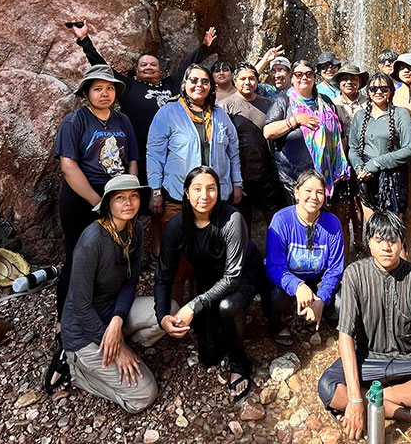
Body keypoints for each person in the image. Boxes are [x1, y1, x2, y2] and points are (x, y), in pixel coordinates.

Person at [317, 211, 411, 442]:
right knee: (327, 387)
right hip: (368, 358)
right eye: (379, 240)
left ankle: (376, 399)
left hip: (409, 360)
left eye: (393, 240)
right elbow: (345, 336)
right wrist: (354, 398)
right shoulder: (355, 274)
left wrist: (358, 401)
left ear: (402, 242)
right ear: (368, 244)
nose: (386, 247)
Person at [154, 166, 267, 401]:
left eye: (211, 188)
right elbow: (163, 274)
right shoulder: (177, 225)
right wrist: (162, 315)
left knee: (228, 307)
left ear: (219, 191)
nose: (204, 196)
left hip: (243, 273)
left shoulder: (231, 219)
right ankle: (220, 329)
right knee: (210, 355)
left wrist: (194, 304)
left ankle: (240, 363)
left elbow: (233, 276)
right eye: (197, 189)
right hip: (209, 275)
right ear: (186, 192)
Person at [60, 174, 165, 413]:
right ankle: (78, 371)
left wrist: (117, 321)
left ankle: (117, 345)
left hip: (111, 315)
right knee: (144, 396)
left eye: (134, 196)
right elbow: (81, 306)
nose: (128, 203)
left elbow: (130, 283)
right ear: (107, 204)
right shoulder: (92, 241)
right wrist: (117, 351)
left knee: (167, 310)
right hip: (83, 332)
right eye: (120, 198)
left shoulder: (135, 229)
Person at [69, 18, 216, 186]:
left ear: (160, 70)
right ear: (137, 71)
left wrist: (205, 45)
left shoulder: (172, 84)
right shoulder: (129, 87)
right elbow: (102, 67)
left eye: (153, 64)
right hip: (141, 153)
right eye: (143, 65)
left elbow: (189, 65)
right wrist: (84, 40)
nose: (148, 67)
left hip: (175, 152)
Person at [53, 64, 139, 342]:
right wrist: (96, 201)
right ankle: (64, 323)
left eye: (110, 88)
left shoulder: (123, 121)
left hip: (116, 197)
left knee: (115, 255)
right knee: (77, 259)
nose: (105, 93)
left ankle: (106, 314)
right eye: (98, 88)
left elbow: (133, 160)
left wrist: (130, 193)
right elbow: (68, 166)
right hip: (82, 198)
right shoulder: (74, 121)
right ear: (87, 92)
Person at [146, 63, 243, 256]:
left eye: (205, 81)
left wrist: (237, 183)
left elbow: (233, 151)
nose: (200, 85)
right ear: (184, 84)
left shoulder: (220, 115)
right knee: (177, 258)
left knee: (209, 255)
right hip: (178, 197)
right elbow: (154, 154)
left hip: (213, 198)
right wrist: (155, 190)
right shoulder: (168, 113)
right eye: (194, 80)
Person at [265, 170, 344, 346]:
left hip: (317, 279)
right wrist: (297, 286)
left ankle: (321, 314)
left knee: (341, 303)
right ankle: (280, 324)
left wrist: (322, 298)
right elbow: (274, 266)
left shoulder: (332, 224)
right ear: (296, 192)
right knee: (275, 296)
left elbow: (335, 268)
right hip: (288, 278)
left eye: (319, 192)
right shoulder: (281, 220)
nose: (314, 197)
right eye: (308, 191)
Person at [263, 60, 349, 199]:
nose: (304, 77)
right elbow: (268, 131)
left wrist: (337, 166)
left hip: (323, 178)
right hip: (292, 179)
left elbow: (340, 137)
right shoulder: (284, 101)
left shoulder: (326, 102)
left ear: (314, 78)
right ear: (292, 77)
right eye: (299, 74)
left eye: (309, 74)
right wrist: (295, 120)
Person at [220, 63, 284, 228]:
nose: (247, 82)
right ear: (235, 82)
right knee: (241, 225)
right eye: (243, 79)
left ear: (257, 81)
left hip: (267, 174)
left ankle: (275, 253)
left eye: (251, 78)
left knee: (275, 222)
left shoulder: (268, 103)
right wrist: (234, 181)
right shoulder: (225, 106)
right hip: (240, 175)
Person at [347, 72, 411, 223]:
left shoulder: (401, 114)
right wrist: (359, 167)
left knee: (392, 227)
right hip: (366, 177)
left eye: (384, 88)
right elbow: (352, 148)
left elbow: (410, 148)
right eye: (374, 89)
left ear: (391, 91)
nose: (378, 92)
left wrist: (377, 163)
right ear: (368, 91)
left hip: (393, 176)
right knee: (372, 228)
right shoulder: (359, 116)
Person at [331, 64, 370, 260]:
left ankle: (361, 242)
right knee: (344, 208)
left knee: (364, 205)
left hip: (367, 161)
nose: (349, 82)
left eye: (353, 78)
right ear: (339, 83)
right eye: (344, 78)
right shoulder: (333, 104)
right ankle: (345, 255)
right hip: (343, 163)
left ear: (360, 82)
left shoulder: (370, 101)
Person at [391, 52, 411, 264]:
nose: (405, 70)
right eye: (401, 67)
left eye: (409, 66)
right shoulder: (395, 95)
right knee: (408, 205)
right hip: (404, 156)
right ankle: (408, 257)